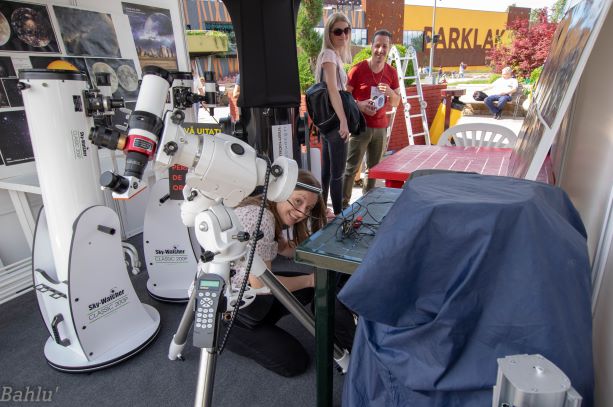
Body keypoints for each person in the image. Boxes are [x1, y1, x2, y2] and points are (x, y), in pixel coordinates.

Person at [223, 170, 356, 377]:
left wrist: (326, 231)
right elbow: (261, 284)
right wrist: (311, 280)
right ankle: (246, 334)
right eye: (298, 201)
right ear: (280, 192)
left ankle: (266, 326)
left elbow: (289, 250)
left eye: (309, 207)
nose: (302, 212)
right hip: (230, 313)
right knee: (294, 363)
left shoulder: (266, 211)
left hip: (249, 293)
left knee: (313, 291)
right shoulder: (261, 218)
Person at [342, 29, 401, 208]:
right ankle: (343, 207)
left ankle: (367, 206)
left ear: (389, 48)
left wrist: (390, 92)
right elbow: (344, 98)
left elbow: (397, 102)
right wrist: (359, 105)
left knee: (373, 171)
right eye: (377, 45)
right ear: (371, 46)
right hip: (360, 127)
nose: (380, 50)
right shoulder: (358, 69)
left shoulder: (391, 72)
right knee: (351, 169)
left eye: (385, 46)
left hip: (381, 129)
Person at [314, 12, 353, 214]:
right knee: (337, 173)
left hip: (328, 122)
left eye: (346, 30)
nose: (343, 35)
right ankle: (338, 217)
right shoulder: (329, 54)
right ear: (329, 33)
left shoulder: (333, 55)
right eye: (338, 31)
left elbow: (337, 90)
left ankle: (321, 216)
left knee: (328, 172)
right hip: (335, 122)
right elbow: (331, 88)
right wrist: (343, 121)